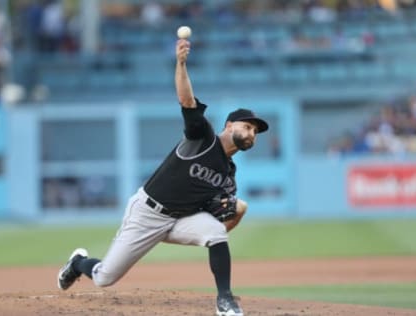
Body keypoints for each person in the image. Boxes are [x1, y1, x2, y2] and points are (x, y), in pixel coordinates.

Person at [57, 37, 269, 316]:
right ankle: (77, 262)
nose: (252, 133)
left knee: (215, 232)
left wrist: (236, 213)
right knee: (104, 278)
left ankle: (225, 300)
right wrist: (181, 63)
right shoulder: (202, 139)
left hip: (179, 221)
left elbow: (220, 228)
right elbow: (186, 100)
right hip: (147, 213)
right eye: (248, 126)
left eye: (256, 131)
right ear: (229, 125)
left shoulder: (228, 175)